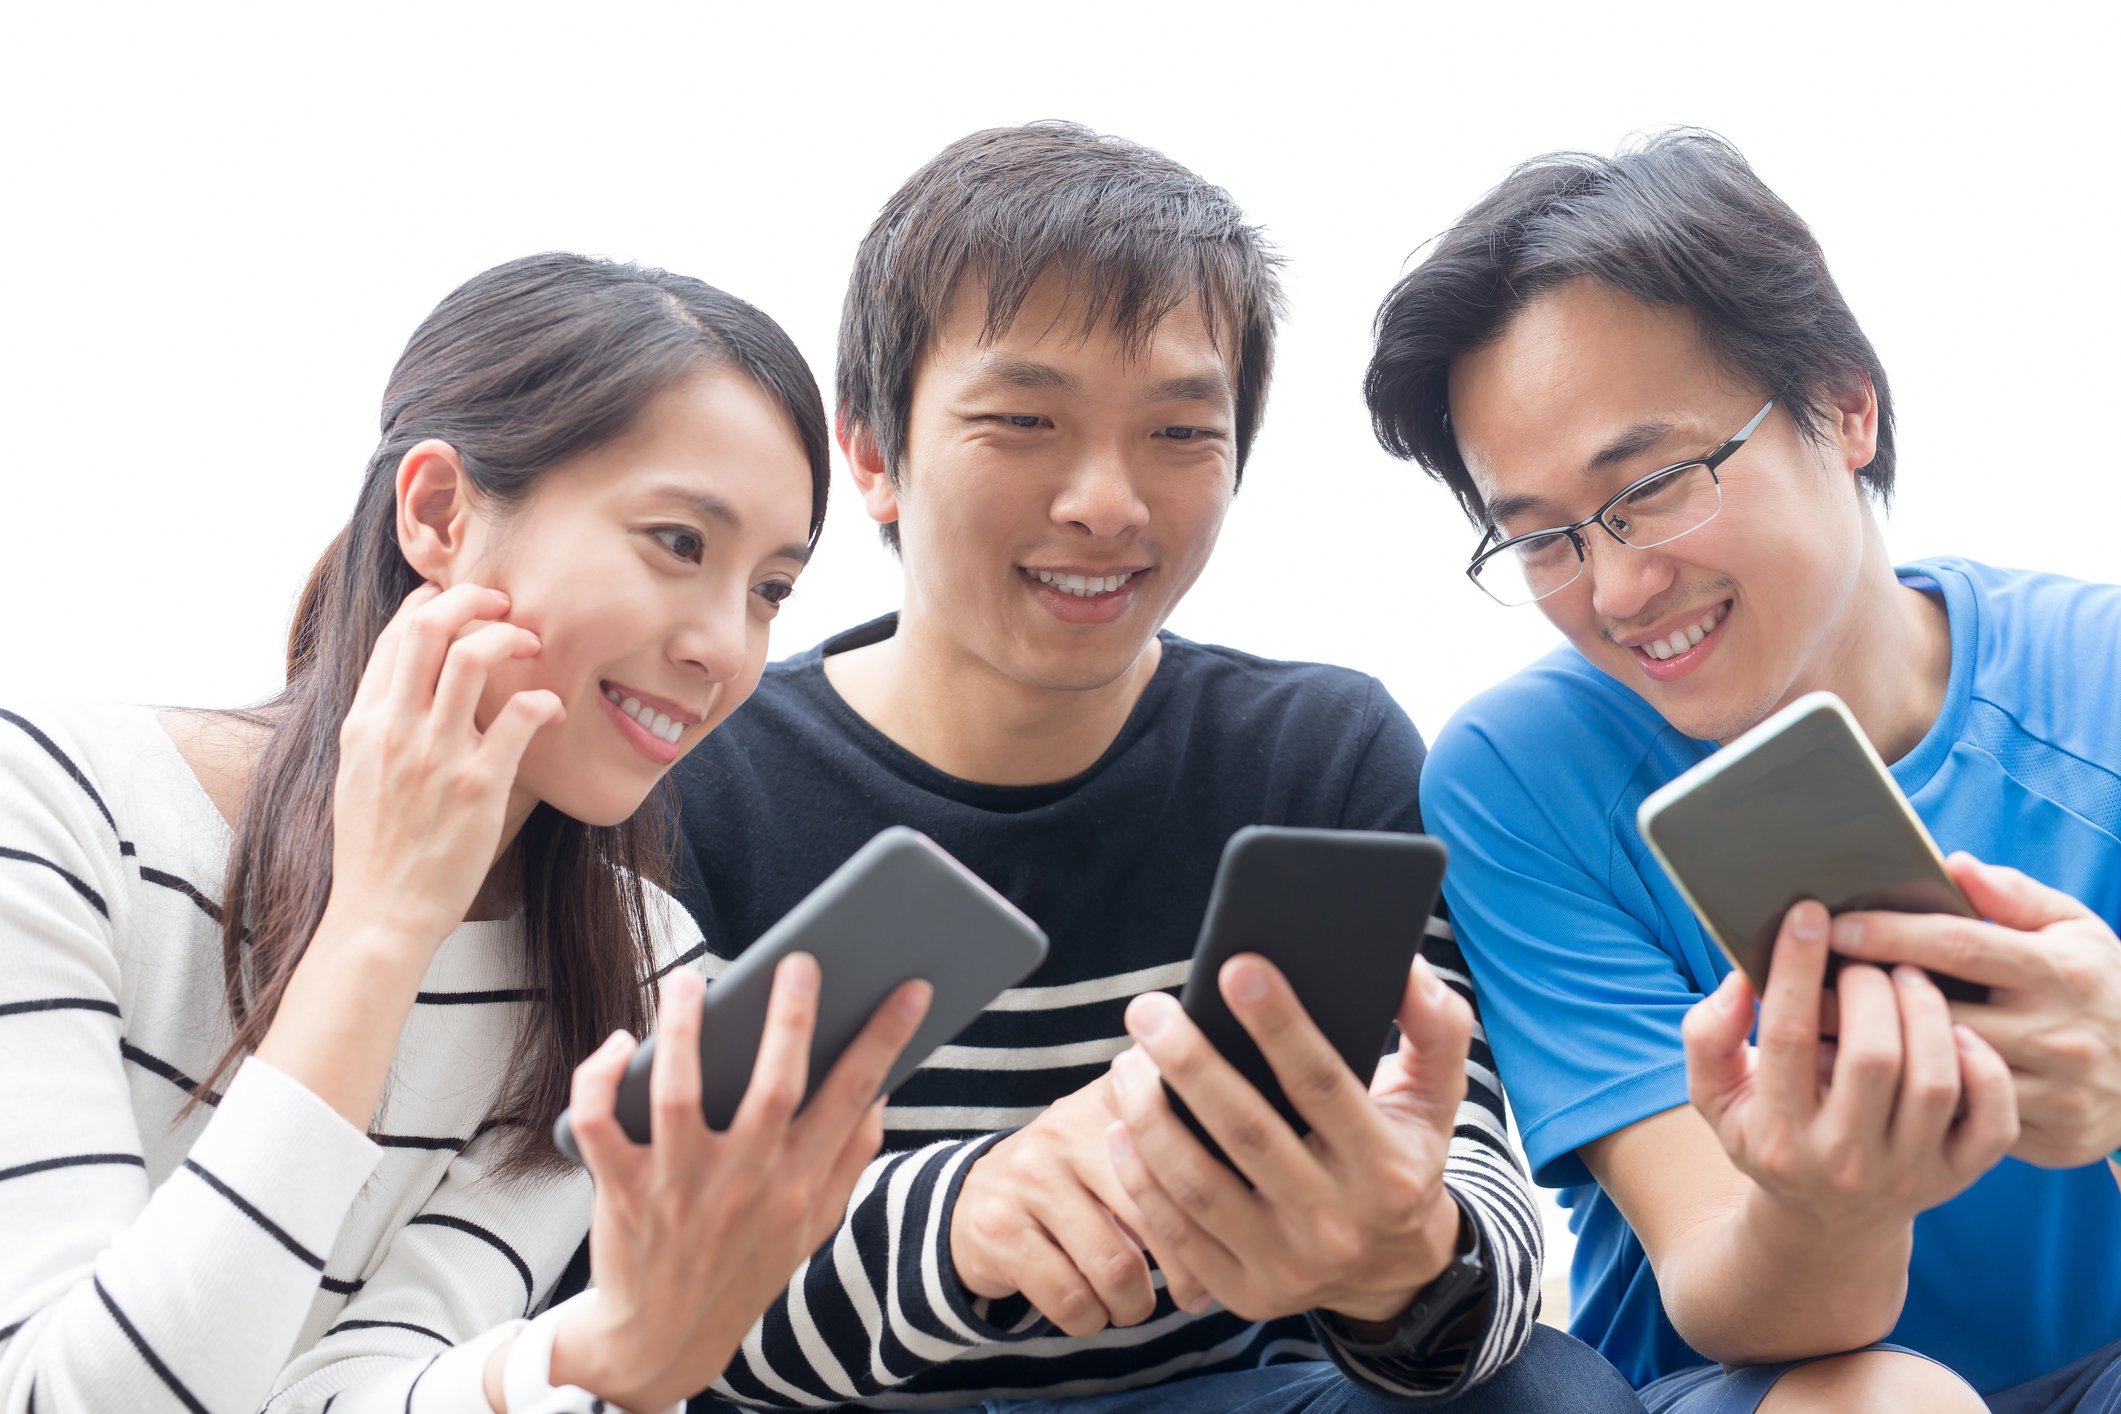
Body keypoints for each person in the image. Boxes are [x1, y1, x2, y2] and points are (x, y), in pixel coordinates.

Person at [664, 122, 1640, 1412]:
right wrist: (954, 1224)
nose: (1108, 503)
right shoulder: (702, 784)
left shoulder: (1319, 758)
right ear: (871, 451)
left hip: (1234, 1393)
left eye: (1181, 433)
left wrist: (1409, 1259)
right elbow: (615, 1296)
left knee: (1546, 1395)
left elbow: (1481, 1216)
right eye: (1024, 418)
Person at [0, 253, 929, 1414]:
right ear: (438, 511)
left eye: (771, 588)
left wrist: (603, 1360)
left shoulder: (632, 972)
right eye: (680, 542)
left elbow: (347, 1390)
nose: (725, 649)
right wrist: (382, 925)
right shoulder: (52, 804)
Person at [1365, 129, 2121, 1412]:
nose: (1613, 589)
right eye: (1540, 539)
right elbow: (1721, 1281)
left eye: (1653, 484)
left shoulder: (2095, 681)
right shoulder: (1520, 774)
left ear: (1844, 404)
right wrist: (1834, 1200)